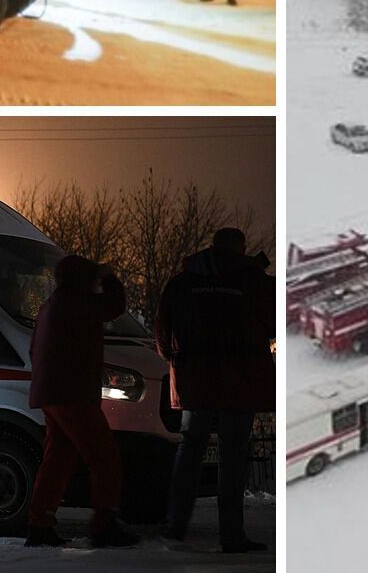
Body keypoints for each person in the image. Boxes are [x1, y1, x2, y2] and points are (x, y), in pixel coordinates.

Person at [157, 230, 271, 553]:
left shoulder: (183, 282)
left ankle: (175, 527)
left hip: (196, 382)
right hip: (240, 382)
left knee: (190, 448)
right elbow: (278, 322)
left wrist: (178, 362)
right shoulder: (254, 282)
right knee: (233, 454)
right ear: (241, 248)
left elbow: (162, 331)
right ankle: (232, 535)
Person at [26, 255, 137, 548]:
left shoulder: (51, 305)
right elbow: (113, 307)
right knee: (103, 456)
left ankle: (40, 523)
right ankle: (104, 523)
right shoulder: (77, 302)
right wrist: (111, 278)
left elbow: (33, 349)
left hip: (51, 393)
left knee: (58, 458)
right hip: (72, 393)